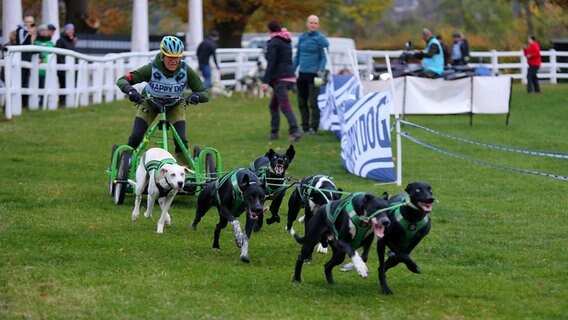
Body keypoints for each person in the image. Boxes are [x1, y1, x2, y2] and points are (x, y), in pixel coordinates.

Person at [115, 35, 209, 162]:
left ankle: (186, 168)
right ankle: (125, 163)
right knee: (136, 136)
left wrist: (196, 96)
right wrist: (131, 91)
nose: (173, 61)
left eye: (177, 58)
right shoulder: (151, 68)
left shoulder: (186, 71)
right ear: (162, 55)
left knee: (180, 139)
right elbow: (123, 80)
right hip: (150, 103)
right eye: (170, 57)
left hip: (175, 105)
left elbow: (204, 93)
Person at [260, 20, 301, 142]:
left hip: (280, 78)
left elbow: (272, 62)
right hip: (289, 75)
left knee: (284, 105)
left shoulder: (274, 42)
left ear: (270, 30)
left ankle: (295, 131)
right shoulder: (286, 40)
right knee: (273, 106)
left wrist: (265, 81)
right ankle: (274, 132)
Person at [293, 14, 329, 135]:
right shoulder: (302, 37)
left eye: (315, 23)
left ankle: (314, 127)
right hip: (302, 74)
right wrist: (292, 69)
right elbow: (297, 55)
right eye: (311, 22)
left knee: (313, 103)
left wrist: (320, 69)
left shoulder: (321, 39)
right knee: (302, 102)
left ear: (318, 25)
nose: (313, 25)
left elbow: (324, 58)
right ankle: (305, 127)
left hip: (315, 75)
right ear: (307, 24)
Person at [55, 23, 78, 105]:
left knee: (71, 84)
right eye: (68, 29)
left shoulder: (72, 41)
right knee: (63, 84)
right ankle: (62, 102)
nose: (70, 31)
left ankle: (70, 102)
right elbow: (58, 54)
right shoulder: (60, 41)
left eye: (72, 30)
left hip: (72, 67)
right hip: (63, 67)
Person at [33, 24, 55, 108]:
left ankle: (44, 103)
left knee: (46, 86)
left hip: (48, 70)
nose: (44, 32)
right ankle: (37, 104)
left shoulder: (50, 43)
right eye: (42, 30)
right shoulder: (36, 43)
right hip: (37, 70)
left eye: (45, 30)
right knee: (38, 86)